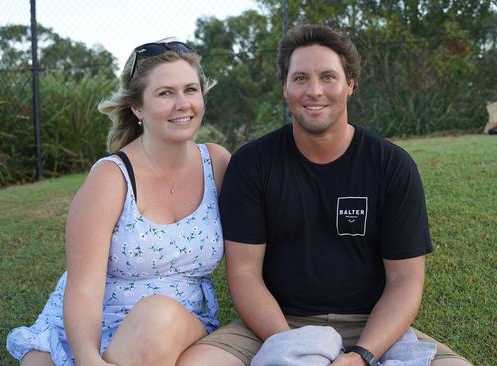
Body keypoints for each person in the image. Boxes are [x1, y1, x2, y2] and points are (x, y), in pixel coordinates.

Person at [178, 25, 471, 366]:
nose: (314, 90)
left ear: (350, 85)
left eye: (328, 77)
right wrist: (295, 347)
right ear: (284, 87)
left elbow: (405, 280)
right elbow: (244, 275)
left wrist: (361, 356)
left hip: (369, 326)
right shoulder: (252, 164)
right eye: (300, 77)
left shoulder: (392, 165)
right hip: (277, 322)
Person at [6, 39, 230, 366]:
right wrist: (87, 358)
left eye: (191, 89)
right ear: (137, 108)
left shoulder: (217, 163)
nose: (183, 103)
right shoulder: (111, 178)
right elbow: (84, 288)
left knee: (158, 317)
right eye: (166, 93)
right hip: (91, 327)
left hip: (175, 324)